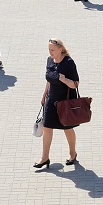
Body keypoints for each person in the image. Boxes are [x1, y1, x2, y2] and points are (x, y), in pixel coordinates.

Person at [36, 38, 80, 170]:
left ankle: (72, 154)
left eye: (53, 50)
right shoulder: (50, 60)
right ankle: (45, 158)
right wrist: (44, 95)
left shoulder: (69, 63)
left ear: (61, 49)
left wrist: (65, 80)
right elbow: (49, 80)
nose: (50, 52)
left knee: (67, 128)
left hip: (65, 102)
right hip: (51, 100)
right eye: (49, 49)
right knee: (47, 127)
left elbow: (76, 84)